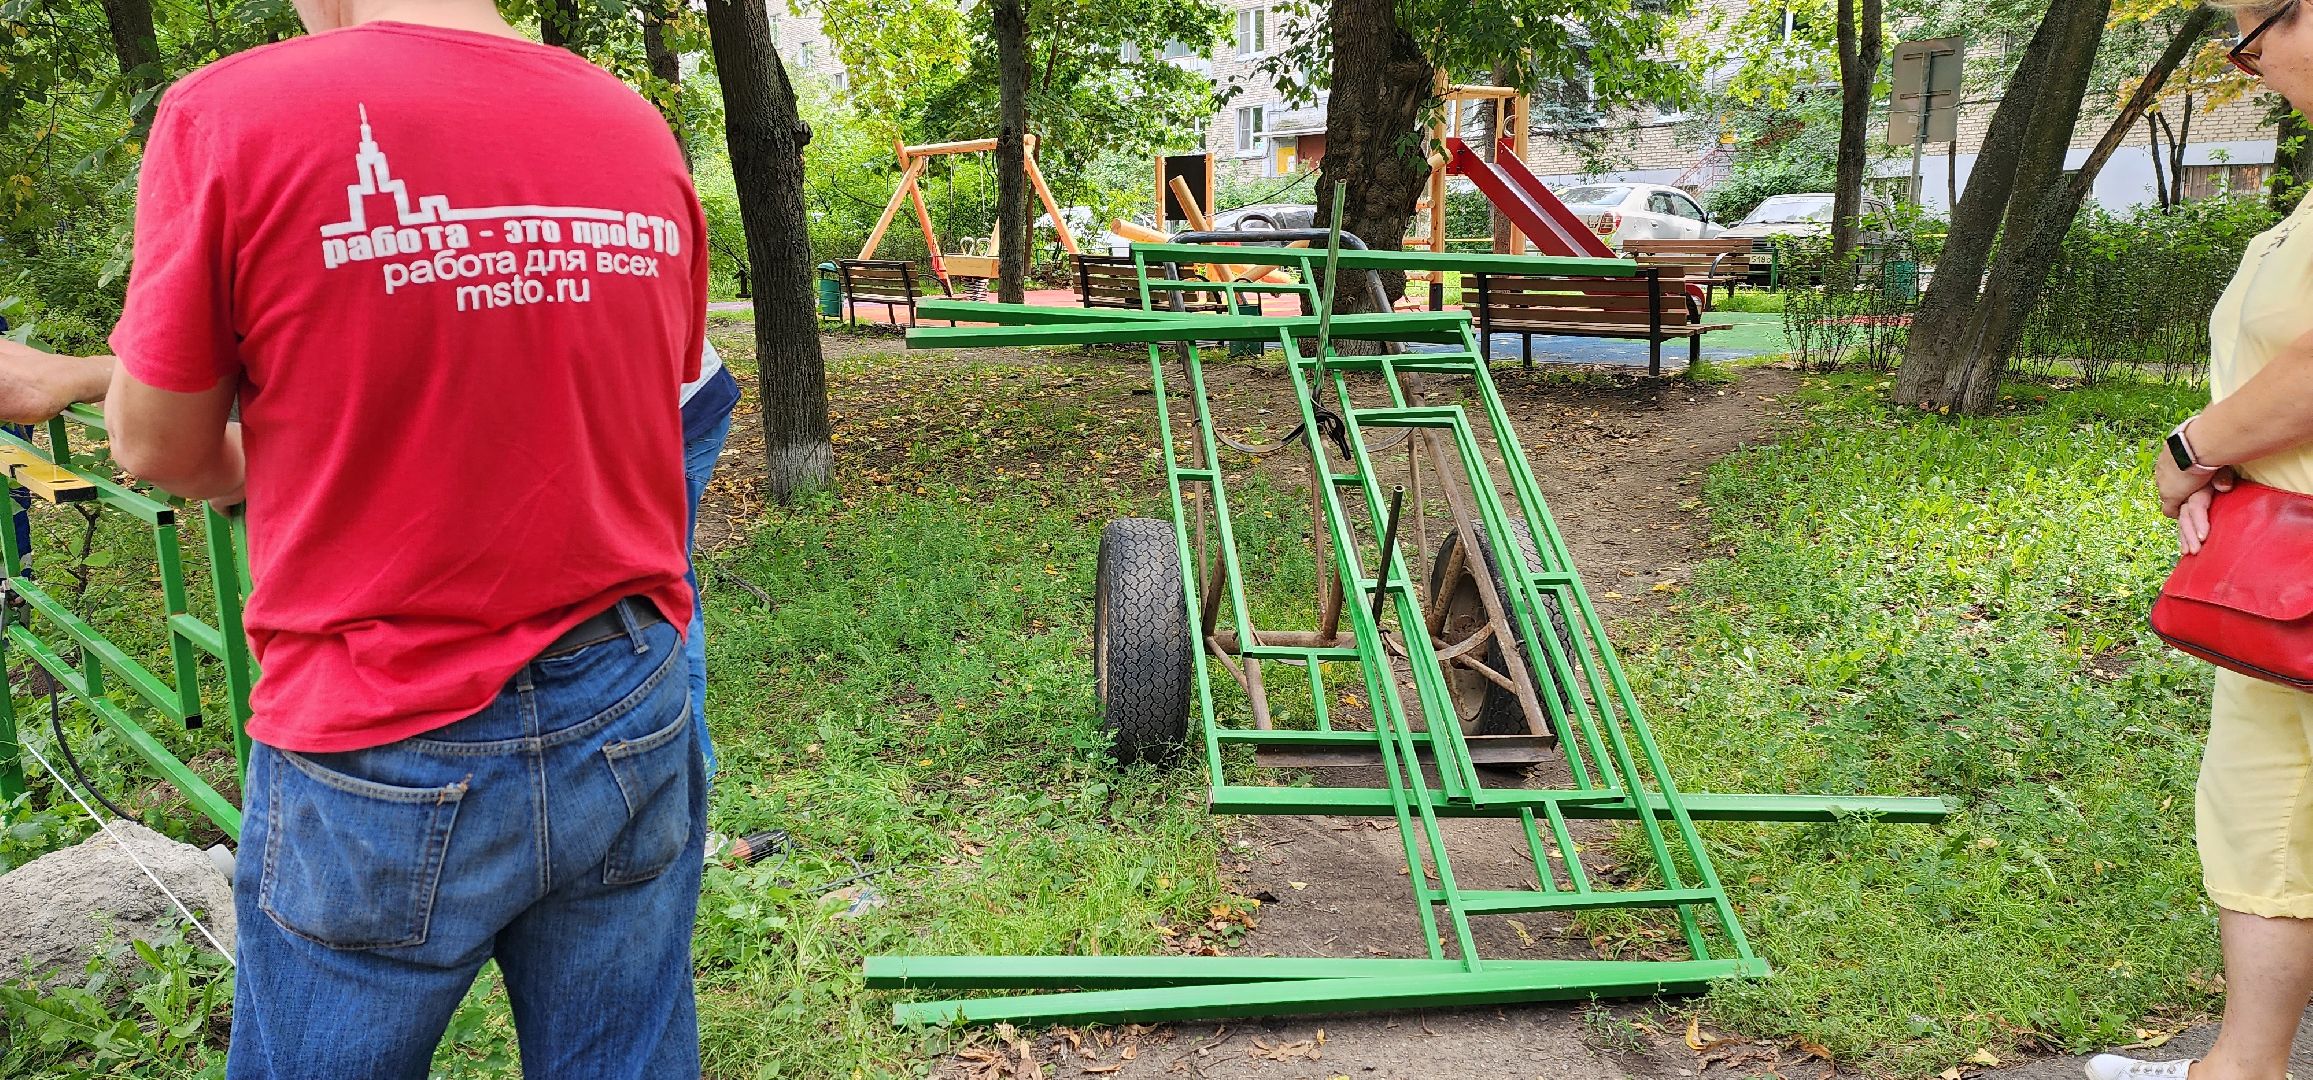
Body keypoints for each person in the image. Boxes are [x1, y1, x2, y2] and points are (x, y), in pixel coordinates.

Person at [100, 0, 708, 1075]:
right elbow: (648, 389)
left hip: (379, 723)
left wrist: (278, 458)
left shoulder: (232, 117)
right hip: (625, 689)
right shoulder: (631, 125)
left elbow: (157, 445)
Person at [2097, 4, 2313, 1079]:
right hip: (2280, 580)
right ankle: (2240, 1071)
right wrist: (2229, 469)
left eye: (2254, 26)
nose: (2244, 58)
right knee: (2265, 813)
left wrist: (2190, 446)